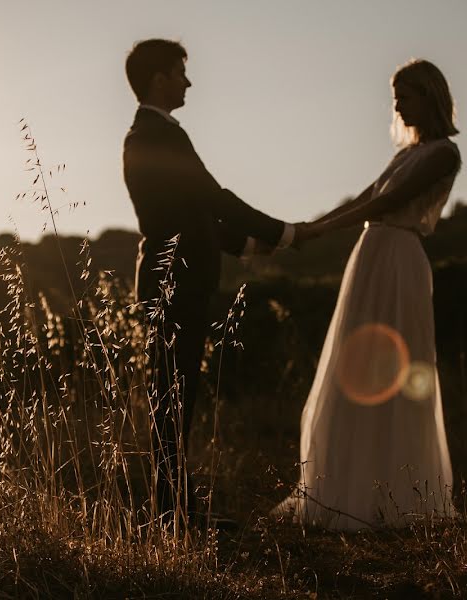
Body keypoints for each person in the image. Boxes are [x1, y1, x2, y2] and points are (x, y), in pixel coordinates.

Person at [122, 38, 305, 525]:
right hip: (174, 280)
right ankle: (173, 516)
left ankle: (177, 511)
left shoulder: (153, 135)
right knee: (172, 397)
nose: (188, 81)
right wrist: (282, 232)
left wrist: (244, 246)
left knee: (177, 396)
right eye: (181, 71)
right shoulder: (157, 136)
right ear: (159, 78)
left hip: (178, 276)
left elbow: (188, 211)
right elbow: (213, 197)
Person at [274, 58, 461, 529]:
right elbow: (364, 197)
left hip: (399, 260)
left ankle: (397, 494)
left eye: (406, 95)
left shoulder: (443, 153)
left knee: (397, 368)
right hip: (371, 256)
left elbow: (386, 203)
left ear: (430, 96)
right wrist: (313, 228)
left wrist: (327, 228)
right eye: (395, 96)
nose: (397, 105)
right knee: (354, 365)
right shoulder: (403, 155)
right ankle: (347, 488)